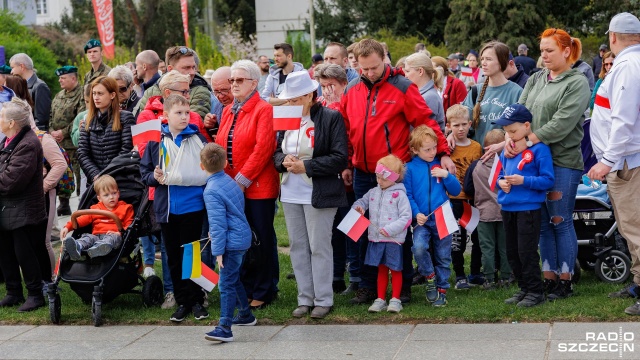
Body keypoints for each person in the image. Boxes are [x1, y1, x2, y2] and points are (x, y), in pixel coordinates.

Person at [340, 38, 452, 305]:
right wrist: (347, 163)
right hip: (363, 172)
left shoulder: (402, 87)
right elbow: (346, 129)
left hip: (393, 174)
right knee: (364, 229)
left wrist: (443, 151)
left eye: (374, 68)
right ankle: (367, 286)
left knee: (398, 231)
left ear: (385, 59)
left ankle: (401, 288)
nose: (368, 73)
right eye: (363, 69)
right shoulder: (353, 89)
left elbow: (426, 120)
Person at [506, 28, 590, 301]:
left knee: (559, 220)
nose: (544, 55)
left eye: (550, 50)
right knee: (541, 222)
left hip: (562, 162)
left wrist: (528, 140)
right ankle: (547, 278)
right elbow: (520, 111)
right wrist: (511, 136)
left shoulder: (576, 82)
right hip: (531, 162)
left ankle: (565, 281)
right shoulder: (536, 78)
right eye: (541, 50)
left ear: (566, 51)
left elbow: (563, 122)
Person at [273, 71, 348, 319]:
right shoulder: (286, 118)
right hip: (291, 191)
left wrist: (307, 166)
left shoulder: (330, 117)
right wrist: (284, 160)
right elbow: (275, 153)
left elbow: (339, 158)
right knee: (298, 246)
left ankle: (323, 299)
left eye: (294, 99)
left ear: (308, 96)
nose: (290, 104)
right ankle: (304, 298)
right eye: (288, 100)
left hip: (319, 192)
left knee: (319, 246)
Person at [215, 60, 279, 309]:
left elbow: (263, 149)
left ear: (254, 83)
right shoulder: (229, 109)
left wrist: (240, 181)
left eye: (239, 80)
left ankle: (264, 289)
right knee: (241, 240)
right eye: (231, 80)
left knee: (261, 238)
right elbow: (222, 145)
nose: (233, 84)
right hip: (232, 186)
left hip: (258, 187)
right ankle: (247, 286)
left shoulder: (263, 109)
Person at [587, 12, 640, 315]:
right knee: (630, 228)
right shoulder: (630, 63)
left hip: (627, 162)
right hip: (626, 161)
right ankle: (638, 282)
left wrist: (607, 160)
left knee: (635, 229)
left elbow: (623, 119)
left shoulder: (627, 65)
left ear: (613, 37)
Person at [140, 94, 209, 322]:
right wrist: (154, 176)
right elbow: (144, 172)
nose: (184, 117)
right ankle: (182, 302)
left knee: (192, 255)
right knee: (173, 258)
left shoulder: (197, 138)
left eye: (187, 113)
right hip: (167, 208)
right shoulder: (155, 140)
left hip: (192, 206)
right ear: (166, 115)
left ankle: (197, 300)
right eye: (178, 113)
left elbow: (208, 168)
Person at [495, 104, 555, 307]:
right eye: (507, 132)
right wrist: (500, 182)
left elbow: (547, 180)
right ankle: (524, 288)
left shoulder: (540, 149)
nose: (510, 136)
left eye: (513, 131)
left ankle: (535, 291)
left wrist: (524, 181)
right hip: (508, 207)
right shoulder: (508, 150)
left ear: (527, 126)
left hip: (528, 209)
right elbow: (500, 174)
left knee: (526, 251)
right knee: (512, 251)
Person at [200, 143, 257, 343]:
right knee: (233, 278)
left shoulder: (211, 190)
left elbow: (218, 224)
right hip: (241, 237)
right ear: (225, 162)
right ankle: (245, 314)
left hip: (231, 242)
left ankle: (224, 327)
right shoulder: (229, 180)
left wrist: (218, 251)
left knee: (225, 283)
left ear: (201, 166)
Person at [313, 64, 359, 294]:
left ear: (343, 84)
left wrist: (348, 166)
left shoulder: (349, 103)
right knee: (333, 228)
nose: (327, 91)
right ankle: (336, 274)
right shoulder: (320, 106)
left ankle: (357, 275)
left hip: (347, 171)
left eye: (331, 85)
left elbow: (350, 137)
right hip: (328, 174)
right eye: (323, 86)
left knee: (351, 225)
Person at [0, 97, 48, 312]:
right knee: (6, 252)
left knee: (25, 254)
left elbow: (11, 182)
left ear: (12, 123)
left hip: (25, 211)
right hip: (7, 209)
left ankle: (35, 295)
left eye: (1, 116)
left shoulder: (28, 143)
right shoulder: (8, 141)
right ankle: (13, 292)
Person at [405, 125, 461, 307]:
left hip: (443, 218)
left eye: (434, 148)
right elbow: (408, 195)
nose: (432, 152)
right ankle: (429, 276)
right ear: (414, 150)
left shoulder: (440, 164)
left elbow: (456, 190)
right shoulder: (410, 169)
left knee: (444, 255)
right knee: (419, 248)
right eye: (426, 149)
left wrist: (447, 176)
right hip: (422, 220)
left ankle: (442, 289)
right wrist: (416, 213)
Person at [352, 155, 411, 313]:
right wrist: (359, 208)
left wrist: (390, 229)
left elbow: (406, 218)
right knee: (382, 269)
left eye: (383, 179)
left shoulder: (400, 195)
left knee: (396, 269)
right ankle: (380, 298)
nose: (379, 181)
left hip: (393, 239)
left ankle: (396, 299)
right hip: (376, 239)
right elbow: (361, 202)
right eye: (377, 177)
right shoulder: (373, 192)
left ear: (394, 178)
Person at [464, 129, 512, 289]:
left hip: (484, 214)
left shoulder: (475, 166)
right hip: (505, 212)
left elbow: (468, 189)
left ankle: (489, 278)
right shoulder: (507, 164)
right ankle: (506, 277)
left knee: (487, 248)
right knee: (505, 247)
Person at [445, 105, 484, 290]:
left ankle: (475, 273)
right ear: (449, 126)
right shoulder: (447, 148)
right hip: (453, 200)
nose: (460, 129)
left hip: (472, 199)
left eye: (463, 124)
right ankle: (459, 275)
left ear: (470, 124)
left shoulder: (477, 147)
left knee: (477, 238)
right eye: (455, 125)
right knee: (457, 240)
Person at [460, 41, 523, 149]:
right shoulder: (476, 91)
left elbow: (523, 130)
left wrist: (502, 145)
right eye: (482, 59)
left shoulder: (517, 92)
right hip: (478, 159)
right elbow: (461, 121)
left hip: (505, 158)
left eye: (488, 59)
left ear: (501, 62)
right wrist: (452, 135)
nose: (483, 63)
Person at [61, 175, 134, 260]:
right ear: (99, 198)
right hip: (96, 236)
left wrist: (121, 233)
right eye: (106, 195)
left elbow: (129, 224)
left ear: (118, 193)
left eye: (114, 193)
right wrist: (67, 227)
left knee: (113, 238)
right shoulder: (95, 209)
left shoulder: (126, 208)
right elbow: (81, 220)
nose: (111, 197)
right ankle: (77, 246)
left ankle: (100, 248)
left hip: (113, 236)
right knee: (88, 237)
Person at [78, 76, 135, 184]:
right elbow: (82, 153)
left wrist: (108, 176)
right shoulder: (88, 120)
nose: (96, 97)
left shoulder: (126, 118)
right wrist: (96, 176)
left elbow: (126, 150)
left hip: (120, 181)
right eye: (94, 93)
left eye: (100, 93)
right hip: (95, 182)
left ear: (112, 95)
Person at [135, 46, 212, 120]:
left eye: (193, 67)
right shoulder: (150, 92)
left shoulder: (200, 92)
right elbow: (143, 123)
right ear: (170, 69)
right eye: (186, 67)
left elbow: (191, 124)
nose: (192, 72)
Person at [49, 66, 85, 215]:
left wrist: (63, 132)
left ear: (73, 78)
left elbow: (81, 117)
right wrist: (52, 131)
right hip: (59, 144)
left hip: (74, 144)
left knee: (78, 176)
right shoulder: (58, 95)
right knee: (62, 174)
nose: (60, 80)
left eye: (63, 78)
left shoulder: (82, 94)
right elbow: (51, 116)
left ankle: (82, 207)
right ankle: (64, 204)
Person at [9, 53, 51, 130]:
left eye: (13, 67)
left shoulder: (40, 86)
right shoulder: (23, 86)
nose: (11, 71)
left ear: (22, 66)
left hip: (33, 136)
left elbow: (41, 120)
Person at [404, 52, 445, 131]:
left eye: (408, 71)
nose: (405, 75)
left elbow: (422, 132)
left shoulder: (429, 97)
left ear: (420, 71)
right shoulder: (423, 94)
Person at [431, 56, 468, 122]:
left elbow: (463, 108)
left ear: (440, 69)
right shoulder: (431, 84)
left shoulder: (457, 83)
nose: (430, 71)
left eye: (432, 68)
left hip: (452, 125)